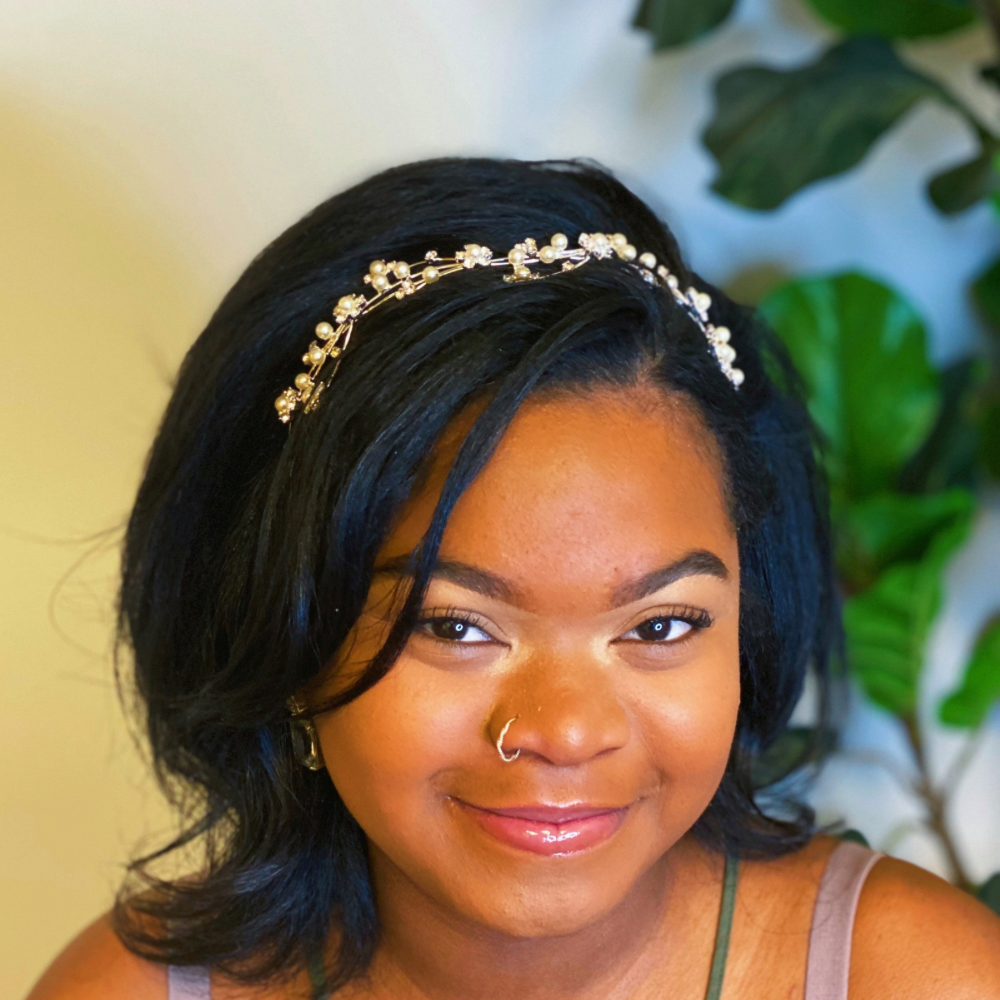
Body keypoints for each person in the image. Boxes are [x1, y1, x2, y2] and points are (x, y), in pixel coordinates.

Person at [28, 158, 1000, 1000]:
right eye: (454, 626)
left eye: (660, 626)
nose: (565, 730)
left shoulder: (920, 977)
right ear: (284, 633)